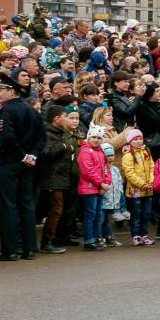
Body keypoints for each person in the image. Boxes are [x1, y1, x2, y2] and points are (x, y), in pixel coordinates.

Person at [0, 78, 46, 262]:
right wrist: (32, 155)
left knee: (8, 205)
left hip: (10, 163)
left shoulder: (7, 110)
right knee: (26, 205)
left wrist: (23, 155)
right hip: (28, 164)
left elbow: (7, 136)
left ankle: (10, 250)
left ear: (12, 91)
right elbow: (41, 137)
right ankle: (29, 248)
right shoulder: (31, 110)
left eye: (1, 90)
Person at [36, 105, 77, 253]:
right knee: (55, 210)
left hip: (60, 178)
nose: (68, 119)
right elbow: (45, 153)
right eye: (66, 116)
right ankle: (47, 242)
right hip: (52, 179)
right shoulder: (47, 134)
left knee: (58, 210)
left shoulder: (59, 133)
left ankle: (54, 239)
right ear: (57, 119)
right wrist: (65, 146)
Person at [76, 124, 113, 252]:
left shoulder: (100, 152)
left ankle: (97, 238)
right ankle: (89, 240)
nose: (96, 140)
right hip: (89, 188)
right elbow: (87, 171)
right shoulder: (85, 151)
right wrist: (101, 183)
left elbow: (106, 168)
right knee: (90, 214)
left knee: (98, 214)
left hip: (98, 188)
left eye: (99, 137)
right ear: (89, 137)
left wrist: (107, 182)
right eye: (94, 137)